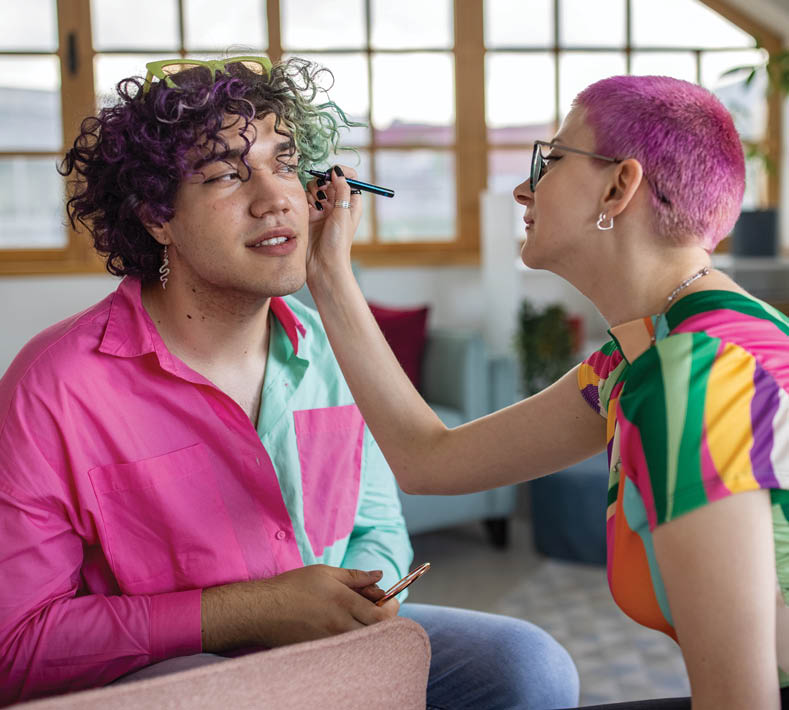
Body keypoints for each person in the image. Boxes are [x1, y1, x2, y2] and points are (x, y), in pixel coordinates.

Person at [0, 56, 579, 709]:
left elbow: (379, 528)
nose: (275, 198)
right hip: (167, 669)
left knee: (527, 666)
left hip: (321, 642)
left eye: (285, 165)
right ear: (157, 217)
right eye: (227, 173)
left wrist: (358, 598)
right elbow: (15, 646)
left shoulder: (333, 351)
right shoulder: (54, 390)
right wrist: (249, 611)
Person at [305, 74, 789, 710]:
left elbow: (740, 700)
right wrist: (329, 272)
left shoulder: (698, 374)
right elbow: (429, 461)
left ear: (618, 188)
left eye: (551, 160)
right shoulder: (637, 357)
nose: (522, 188)